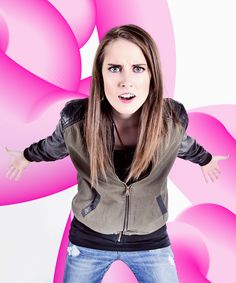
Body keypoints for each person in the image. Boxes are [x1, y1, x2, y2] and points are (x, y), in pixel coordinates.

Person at [5, 24, 229, 283]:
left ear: (151, 75)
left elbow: (186, 145)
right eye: (114, 68)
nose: (126, 80)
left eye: (138, 68)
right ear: (100, 75)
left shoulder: (172, 121)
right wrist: (26, 156)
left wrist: (206, 160)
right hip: (89, 242)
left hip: (151, 243)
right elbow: (53, 146)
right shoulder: (75, 120)